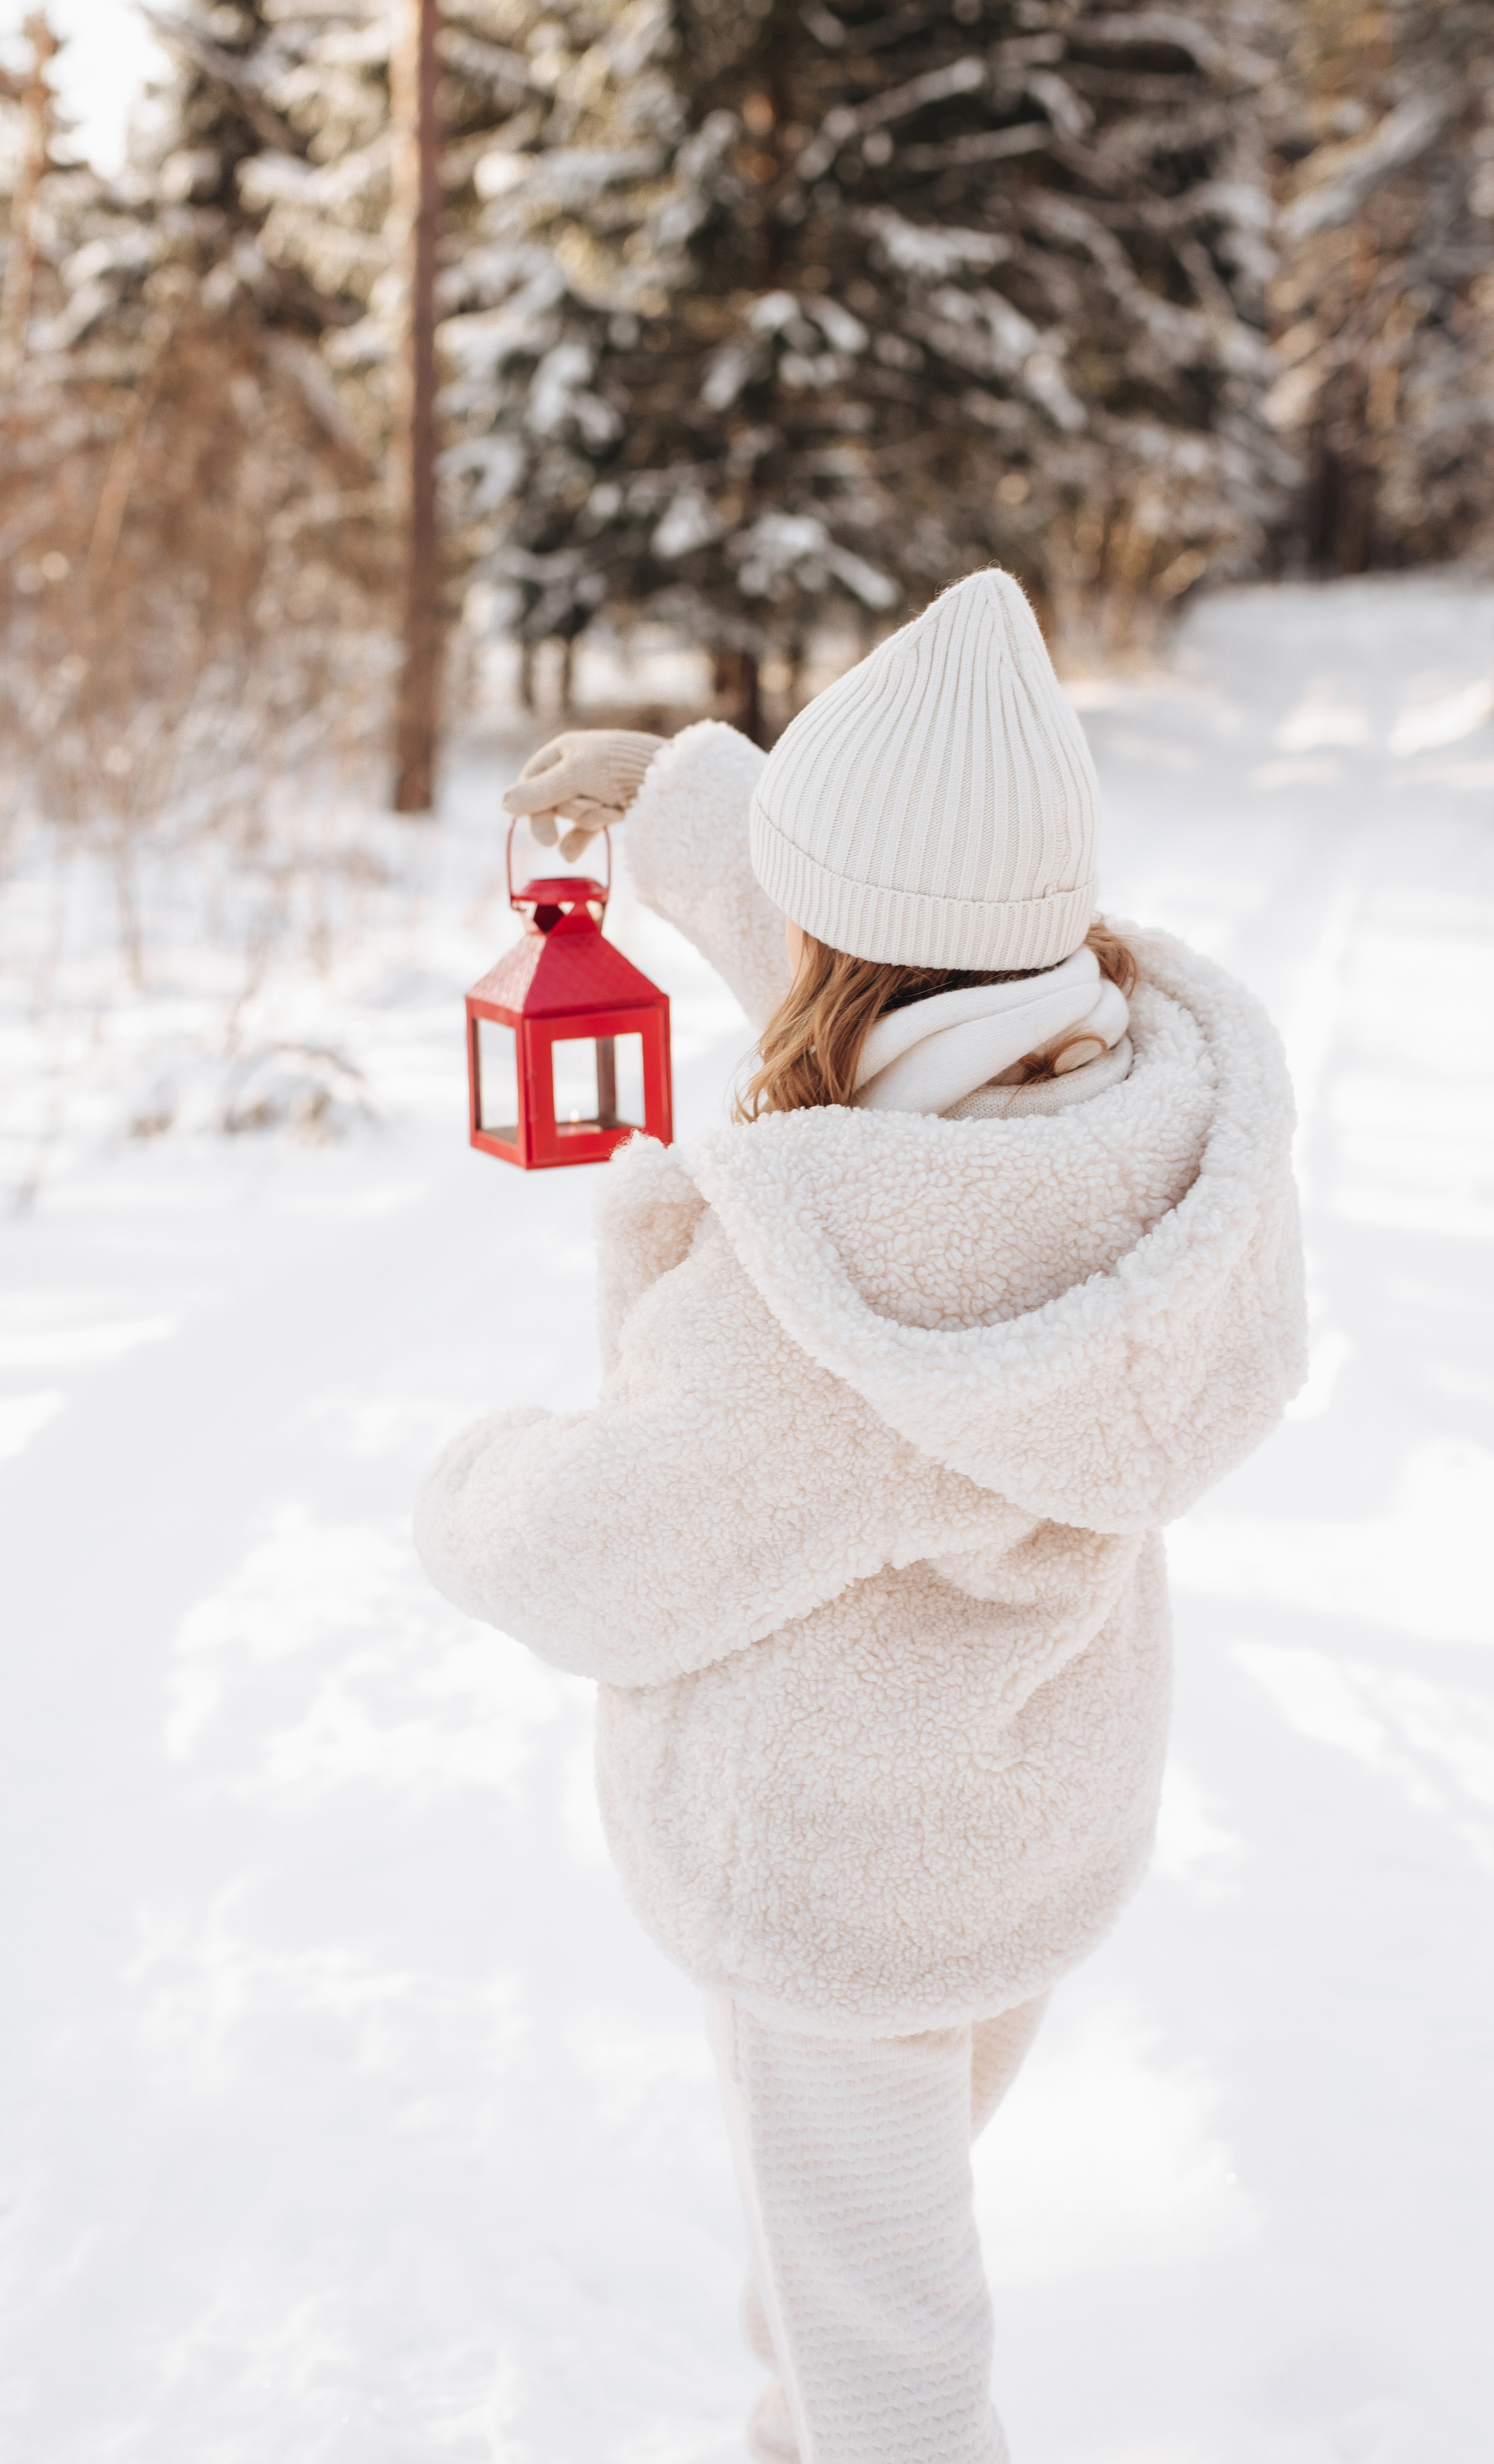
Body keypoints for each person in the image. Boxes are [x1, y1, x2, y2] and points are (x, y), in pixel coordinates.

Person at [416, 569, 1307, 2464]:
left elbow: (606, 1549)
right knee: (862, 2237)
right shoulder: (1136, 1111)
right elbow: (870, 930)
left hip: (836, 1870)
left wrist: (471, 1480)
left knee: (883, 2326)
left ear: (845, 957)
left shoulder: (841, 1306)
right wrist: (677, 791)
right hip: (1016, 1823)